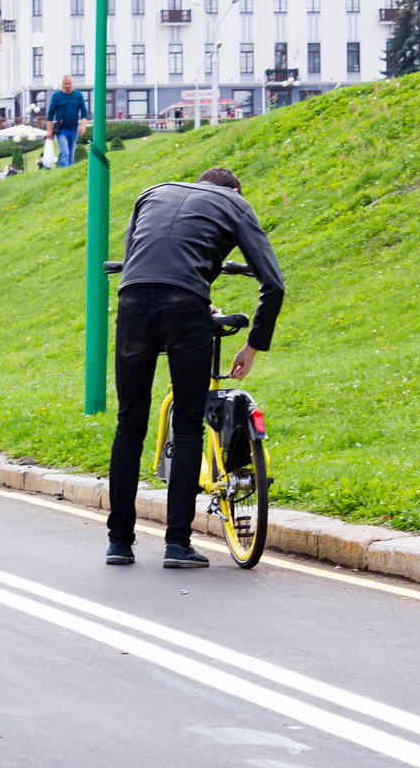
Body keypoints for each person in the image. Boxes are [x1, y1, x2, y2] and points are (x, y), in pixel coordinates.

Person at [105, 166, 285, 569]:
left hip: (133, 300)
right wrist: (253, 346)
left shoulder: (153, 189)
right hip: (185, 306)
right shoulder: (236, 203)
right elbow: (273, 284)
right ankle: (177, 544)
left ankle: (118, 542)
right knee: (188, 422)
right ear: (235, 190)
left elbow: (139, 259)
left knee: (129, 423)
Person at [44, 75, 89, 168]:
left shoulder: (78, 95)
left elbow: (84, 112)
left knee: (71, 154)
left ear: (72, 84)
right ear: (62, 84)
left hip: (74, 129)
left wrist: (83, 125)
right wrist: (49, 130)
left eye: (69, 84)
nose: (67, 85)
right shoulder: (56, 96)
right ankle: (64, 172)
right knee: (65, 152)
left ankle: (69, 173)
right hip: (61, 130)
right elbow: (50, 114)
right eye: (65, 84)